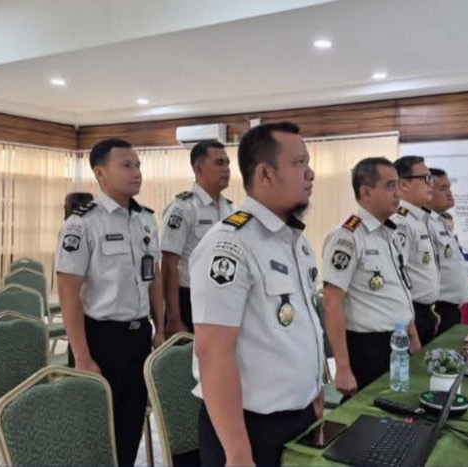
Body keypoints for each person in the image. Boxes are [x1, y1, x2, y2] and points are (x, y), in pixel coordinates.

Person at [190, 122, 324, 467]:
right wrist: (237, 452)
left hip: (299, 417)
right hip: (249, 430)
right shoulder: (229, 244)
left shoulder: (296, 243)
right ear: (265, 174)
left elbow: (301, 328)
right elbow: (213, 353)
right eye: (299, 163)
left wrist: (315, 392)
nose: (310, 174)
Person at [55, 138, 165, 466]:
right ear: (100, 173)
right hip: (100, 338)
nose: (136, 172)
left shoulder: (145, 220)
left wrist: (160, 328)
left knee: (131, 424)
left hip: (138, 335)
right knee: (96, 429)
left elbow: (154, 276)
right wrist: (82, 356)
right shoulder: (82, 224)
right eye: (126, 165)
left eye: (138, 165)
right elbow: (68, 292)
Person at [322, 157, 421, 398]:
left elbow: (399, 290)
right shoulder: (348, 236)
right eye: (390, 186)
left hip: (396, 343)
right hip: (367, 348)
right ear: (366, 192)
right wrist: (342, 367)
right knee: (368, 415)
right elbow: (332, 302)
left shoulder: (390, 234)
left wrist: (412, 334)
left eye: (397, 185)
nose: (398, 193)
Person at [160, 140, 233, 336]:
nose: (226, 169)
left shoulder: (229, 209)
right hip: (189, 299)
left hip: (223, 298)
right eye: (219, 163)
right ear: (198, 168)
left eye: (227, 163)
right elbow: (168, 265)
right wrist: (174, 318)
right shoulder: (182, 208)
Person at [392, 156, 442, 346]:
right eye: (426, 178)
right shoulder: (401, 222)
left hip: (424, 313)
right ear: (403, 184)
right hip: (410, 316)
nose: (431, 184)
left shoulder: (418, 219)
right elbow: (397, 279)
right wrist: (411, 328)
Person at [425, 168, 468, 336]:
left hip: (450, 309)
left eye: (449, 187)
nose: (450, 193)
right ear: (428, 192)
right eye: (443, 188)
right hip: (436, 310)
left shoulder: (440, 221)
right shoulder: (424, 225)